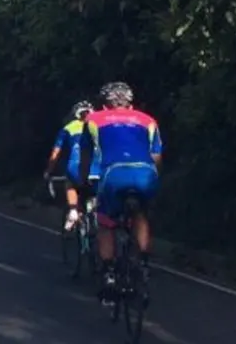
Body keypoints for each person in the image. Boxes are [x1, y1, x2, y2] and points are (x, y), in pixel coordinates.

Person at [86, 81, 162, 304]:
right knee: (141, 215)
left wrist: (84, 181)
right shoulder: (148, 120)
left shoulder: (94, 119)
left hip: (114, 174)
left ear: (104, 105)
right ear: (131, 104)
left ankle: (109, 274)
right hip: (146, 173)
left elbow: (87, 156)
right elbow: (157, 156)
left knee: (106, 223)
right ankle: (144, 264)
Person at [42, 99, 102, 232]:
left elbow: (56, 153)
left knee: (70, 183)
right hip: (98, 168)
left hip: (76, 167)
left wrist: (49, 171)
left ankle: (73, 210)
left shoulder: (68, 128)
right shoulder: (98, 126)